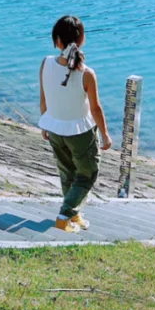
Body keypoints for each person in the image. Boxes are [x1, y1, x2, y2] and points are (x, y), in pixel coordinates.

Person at [39, 14, 112, 232]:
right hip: (80, 132)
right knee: (88, 174)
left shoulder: (46, 63)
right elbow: (96, 108)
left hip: (54, 128)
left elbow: (44, 97)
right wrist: (106, 135)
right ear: (81, 40)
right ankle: (65, 213)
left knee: (67, 172)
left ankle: (74, 214)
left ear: (57, 41)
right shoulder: (87, 74)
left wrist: (45, 123)